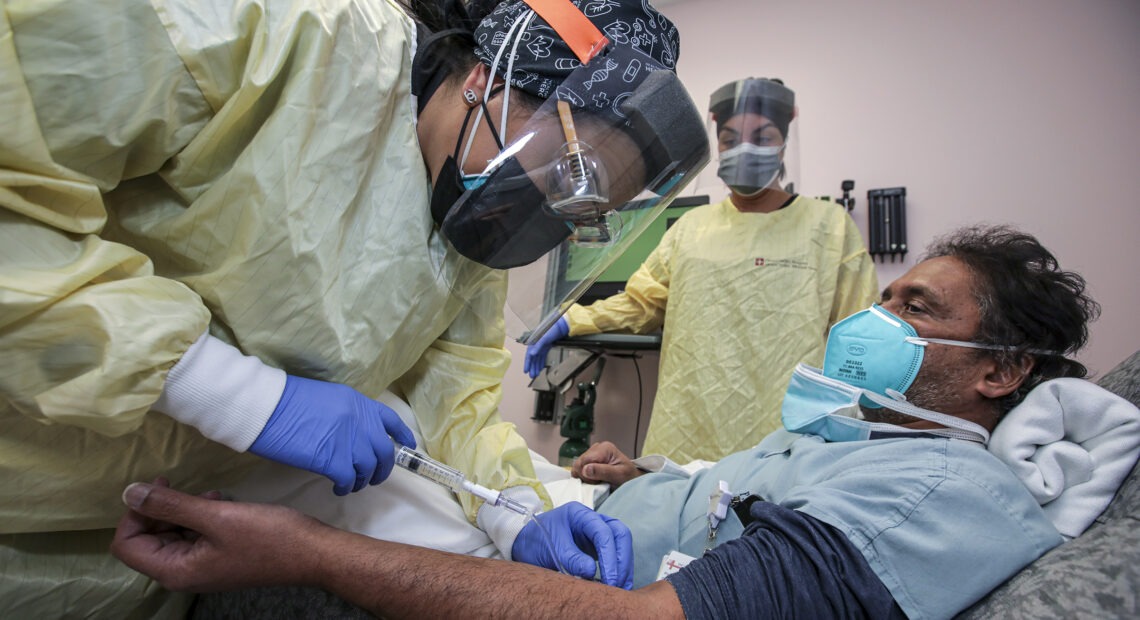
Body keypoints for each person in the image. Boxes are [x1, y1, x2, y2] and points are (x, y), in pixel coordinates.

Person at [0, 0, 711, 616]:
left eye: (586, 206)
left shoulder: (468, 236)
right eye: (571, 173)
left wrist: (515, 511)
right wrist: (243, 397)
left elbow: (455, 396)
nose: (555, 211)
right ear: (487, 77)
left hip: (149, 536)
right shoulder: (274, 37)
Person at [111, 225, 1116, 618]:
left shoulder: (942, 491)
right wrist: (644, 477)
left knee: (258, 553)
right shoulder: (850, 439)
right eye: (886, 297)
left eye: (916, 310)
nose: (872, 321)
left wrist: (315, 556)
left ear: (1000, 370)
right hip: (553, 534)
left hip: (544, 590)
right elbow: (737, 507)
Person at [524, 77, 879, 462]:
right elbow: (640, 305)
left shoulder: (829, 226)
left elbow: (859, 338)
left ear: (784, 143)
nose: (743, 149)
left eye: (762, 137)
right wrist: (569, 320)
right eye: (729, 139)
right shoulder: (691, 228)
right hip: (686, 435)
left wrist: (849, 436)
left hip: (785, 443)